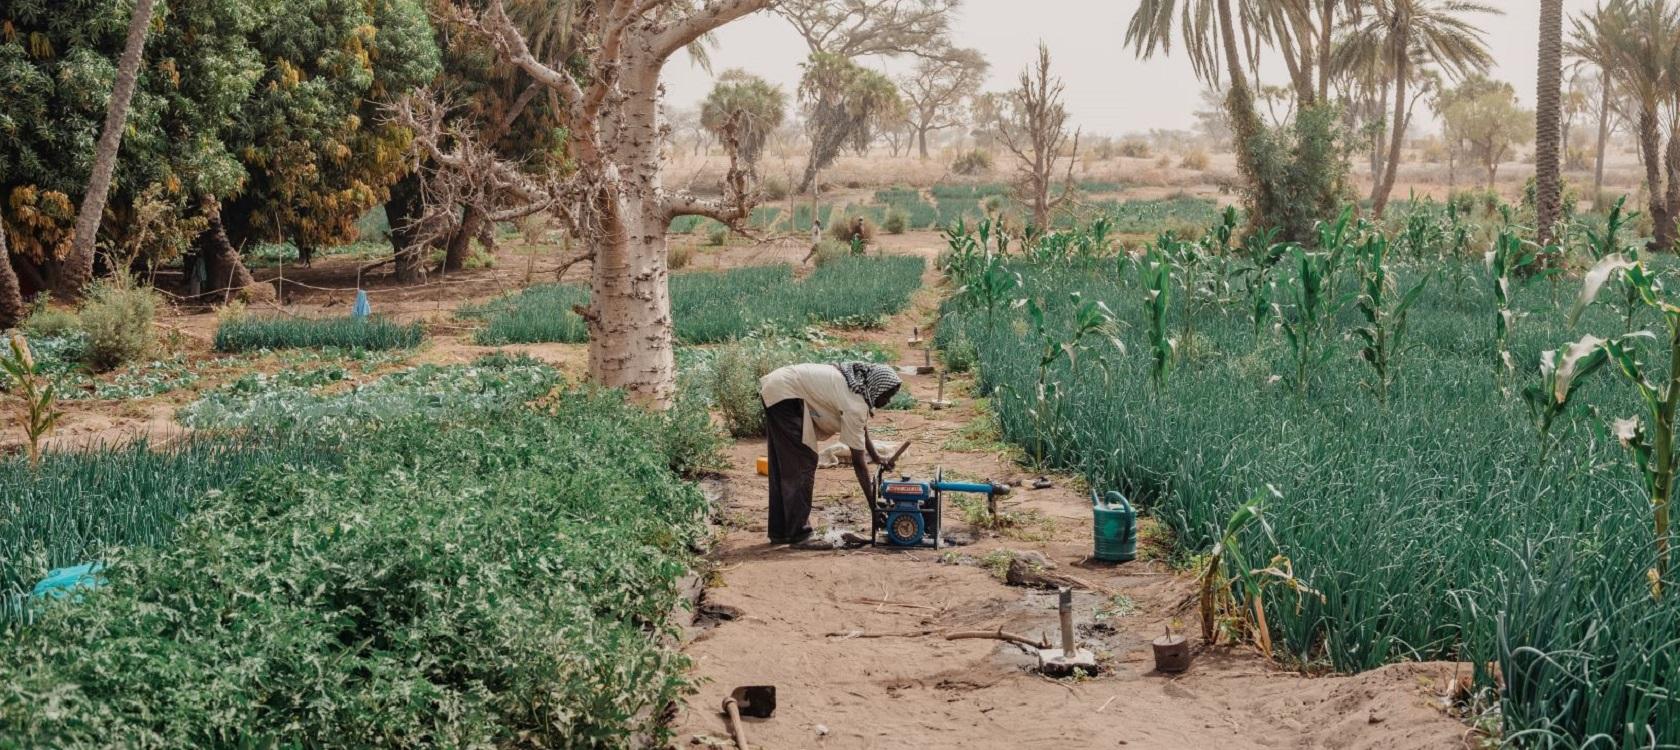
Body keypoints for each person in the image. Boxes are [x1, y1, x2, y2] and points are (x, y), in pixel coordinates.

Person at [759, 361, 902, 547]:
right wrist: (873, 506)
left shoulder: (856, 389)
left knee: (785, 464)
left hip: (779, 387)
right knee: (803, 461)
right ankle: (799, 535)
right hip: (786, 394)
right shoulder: (855, 404)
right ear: (876, 388)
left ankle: (780, 532)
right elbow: (859, 463)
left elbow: (860, 428)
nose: (887, 401)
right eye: (887, 395)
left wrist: (876, 457)